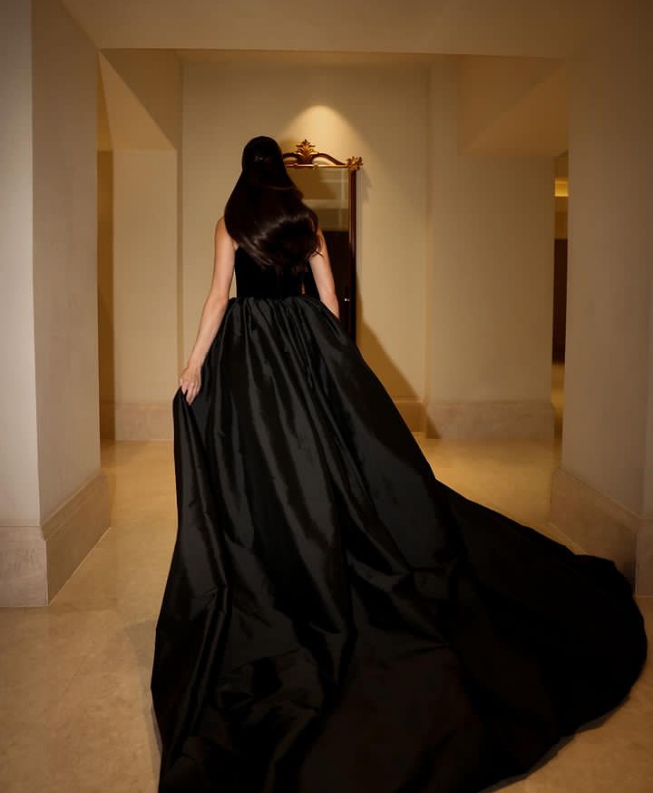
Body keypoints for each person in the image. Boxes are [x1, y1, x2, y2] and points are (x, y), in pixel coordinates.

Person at [151, 136, 647, 793]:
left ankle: (282, 562)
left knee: (267, 467)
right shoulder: (304, 221)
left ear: (244, 171)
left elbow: (219, 299)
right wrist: (335, 369)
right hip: (305, 345)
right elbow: (331, 300)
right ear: (282, 171)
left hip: (252, 354)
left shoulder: (229, 223)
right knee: (329, 459)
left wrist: (193, 365)